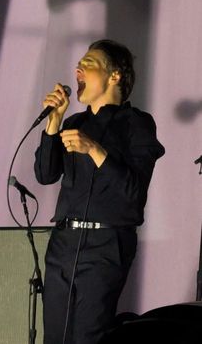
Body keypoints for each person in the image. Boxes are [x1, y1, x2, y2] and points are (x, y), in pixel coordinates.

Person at [34, 39, 165, 344]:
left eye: (89, 63)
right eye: (78, 64)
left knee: (88, 335)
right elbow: (45, 174)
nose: (78, 68)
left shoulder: (137, 123)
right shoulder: (75, 122)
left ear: (115, 75)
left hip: (107, 244)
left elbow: (133, 192)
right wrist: (54, 122)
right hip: (63, 243)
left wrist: (94, 149)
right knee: (55, 335)